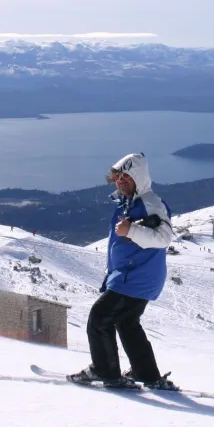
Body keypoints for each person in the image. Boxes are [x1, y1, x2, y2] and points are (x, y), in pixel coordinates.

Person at [68, 153, 177, 390]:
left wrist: (130, 231)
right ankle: (146, 373)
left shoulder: (150, 203)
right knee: (127, 323)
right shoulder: (129, 203)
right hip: (134, 277)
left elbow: (164, 237)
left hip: (136, 278)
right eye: (118, 178)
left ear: (139, 177)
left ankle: (105, 371)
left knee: (99, 318)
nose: (121, 182)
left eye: (127, 177)